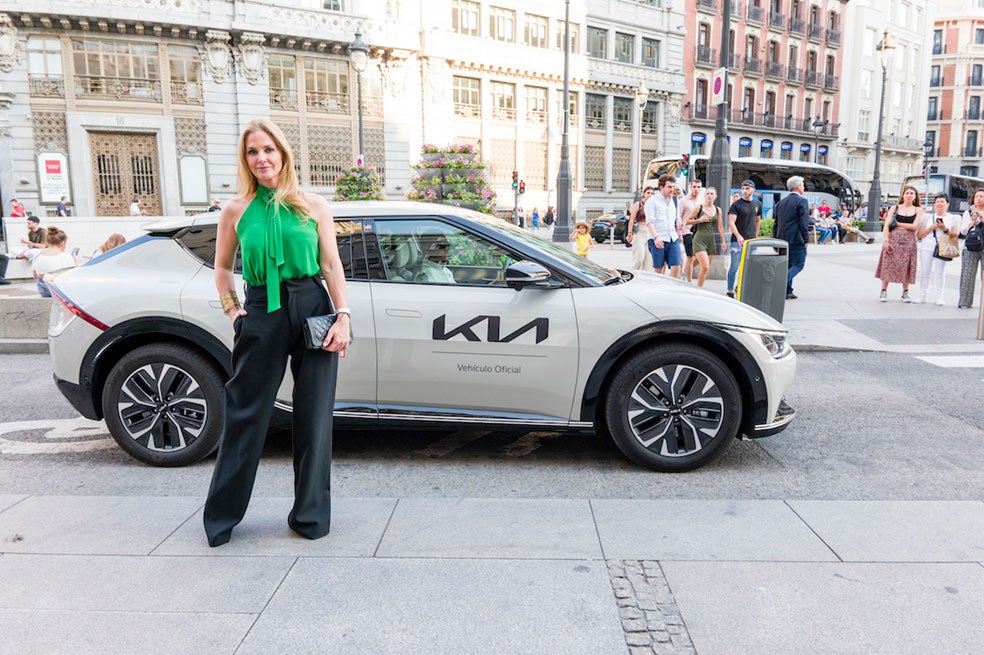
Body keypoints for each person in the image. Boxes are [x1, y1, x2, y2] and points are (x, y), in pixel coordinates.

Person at [203, 117, 351, 547]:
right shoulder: (235, 210)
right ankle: (222, 519)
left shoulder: (312, 205)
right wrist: (234, 312)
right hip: (261, 310)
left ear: (283, 153)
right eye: (253, 151)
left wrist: (343, 316)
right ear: (245, 160)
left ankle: (309, 516)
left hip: (312, 306)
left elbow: (330, 266)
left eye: (268, 149)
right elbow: (221, 267)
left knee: (314, 415)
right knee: (246, 412)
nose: (261, 158)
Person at [875, 185, 921, 302]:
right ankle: (883, 291)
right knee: (888, 264)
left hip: (909, 242)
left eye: (912, 193)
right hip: (893, 239)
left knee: (907, 265)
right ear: (903, 195)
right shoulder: (894, 208)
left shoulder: (918, 210)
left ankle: (905, 292)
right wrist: (885, 240)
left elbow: (914, 226)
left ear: (915, 197)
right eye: (907, 193)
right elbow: (886, 225)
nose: (909, 195)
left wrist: (898, 224)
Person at [915, 194, 959, 305]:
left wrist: (945, 229)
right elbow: (919, 235)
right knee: (925, 272)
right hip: (927, 246)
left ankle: (939, 297)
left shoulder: (952, 218)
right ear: (934, 204)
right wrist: (931, 228)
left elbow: (955, 235)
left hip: (943, 247)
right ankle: (922, 295)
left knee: (940, 272)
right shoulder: (927, 217)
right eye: (937, 202)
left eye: (942, 202)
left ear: (947, 204)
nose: (939, 204)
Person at [772, 175, 810, 299]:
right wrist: (806, 239)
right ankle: (780, 283)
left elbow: (776, 223)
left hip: (782, 238)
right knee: (799, 264)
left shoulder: (781, 202)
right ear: (798, 187)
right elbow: (804, 223)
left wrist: (775, 240)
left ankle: (788, 291)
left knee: (787, 265)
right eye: (803, 185)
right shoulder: (801, 201)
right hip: (796, 239)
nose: (803, 187)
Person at [726, 179, 762, 297]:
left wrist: (756, 236)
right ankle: (730, 290)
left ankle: (740, 286)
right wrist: (738, 236)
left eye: (747, 188)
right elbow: (731, 222)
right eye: (743, 188)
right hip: (737, 241)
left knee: (750, 267)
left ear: (753, 189)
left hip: (751, 241)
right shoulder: (736, 205)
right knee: (734, 267)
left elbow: (758, 220)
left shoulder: (757, 204)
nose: (744, 191)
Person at [685, 186, 726, 287]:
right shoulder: (699, 208)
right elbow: (687, 221)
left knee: (704, 266)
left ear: (715, 196)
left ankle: (688, 271)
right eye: (707, 193)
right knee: (706, 266)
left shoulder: (718, 210)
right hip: (699, 238)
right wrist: (699, 220)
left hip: (710, 240)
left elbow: (720, 227)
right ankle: (697, 288)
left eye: (712, 194)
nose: (709, 195)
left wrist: (724, 241)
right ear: (705, 196)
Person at [644, 174, 683, 277]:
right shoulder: (652, 201)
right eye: (669, 187)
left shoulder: (675, 200)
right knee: (659, 269)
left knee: (677, 266)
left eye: (673, 186)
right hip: (657, 238)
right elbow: (649, 222)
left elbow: (677, 216)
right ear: (661, 187)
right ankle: (657, 290)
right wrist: (656, 238)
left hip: (672, 238)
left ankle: (670, 289)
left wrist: (679, 223)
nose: (672, 189)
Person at [957, 188, 984, 308]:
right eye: (977, 196)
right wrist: (973, 221)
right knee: (968, 275)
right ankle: (964, 302)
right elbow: (962, 231)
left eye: (981, 196)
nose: (978, 199)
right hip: (970, 247)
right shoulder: (968, 212)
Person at [32, 227, 77, 297]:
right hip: (58, 290)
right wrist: (74, 261)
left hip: (43, 290)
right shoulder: (66, 256)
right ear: (63, 243)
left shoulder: (37, 255)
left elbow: (35, 276)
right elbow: (70, 277)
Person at [678, 179, 703, 282]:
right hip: (686, 231)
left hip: (698, 231)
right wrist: (679, 232)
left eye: (698, 187)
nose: (696, 189)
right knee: (690, 257)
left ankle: (685, 270)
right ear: (690, 187)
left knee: (700, 256)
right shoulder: (683, 200)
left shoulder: (701, 201)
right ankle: (689, 280)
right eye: (694, 187)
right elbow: (678, 216)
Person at [626, 187, 654, 270]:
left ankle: (644, 280)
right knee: (639, 258)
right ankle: (631, 275)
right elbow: (631, 220)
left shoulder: (654, 205)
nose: (650, 195)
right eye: (648, 193)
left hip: (650, 232)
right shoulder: (639, 204)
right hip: (640, 231)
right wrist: (629, 234)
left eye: (652, 193)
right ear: (643, 194)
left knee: (648, 260)